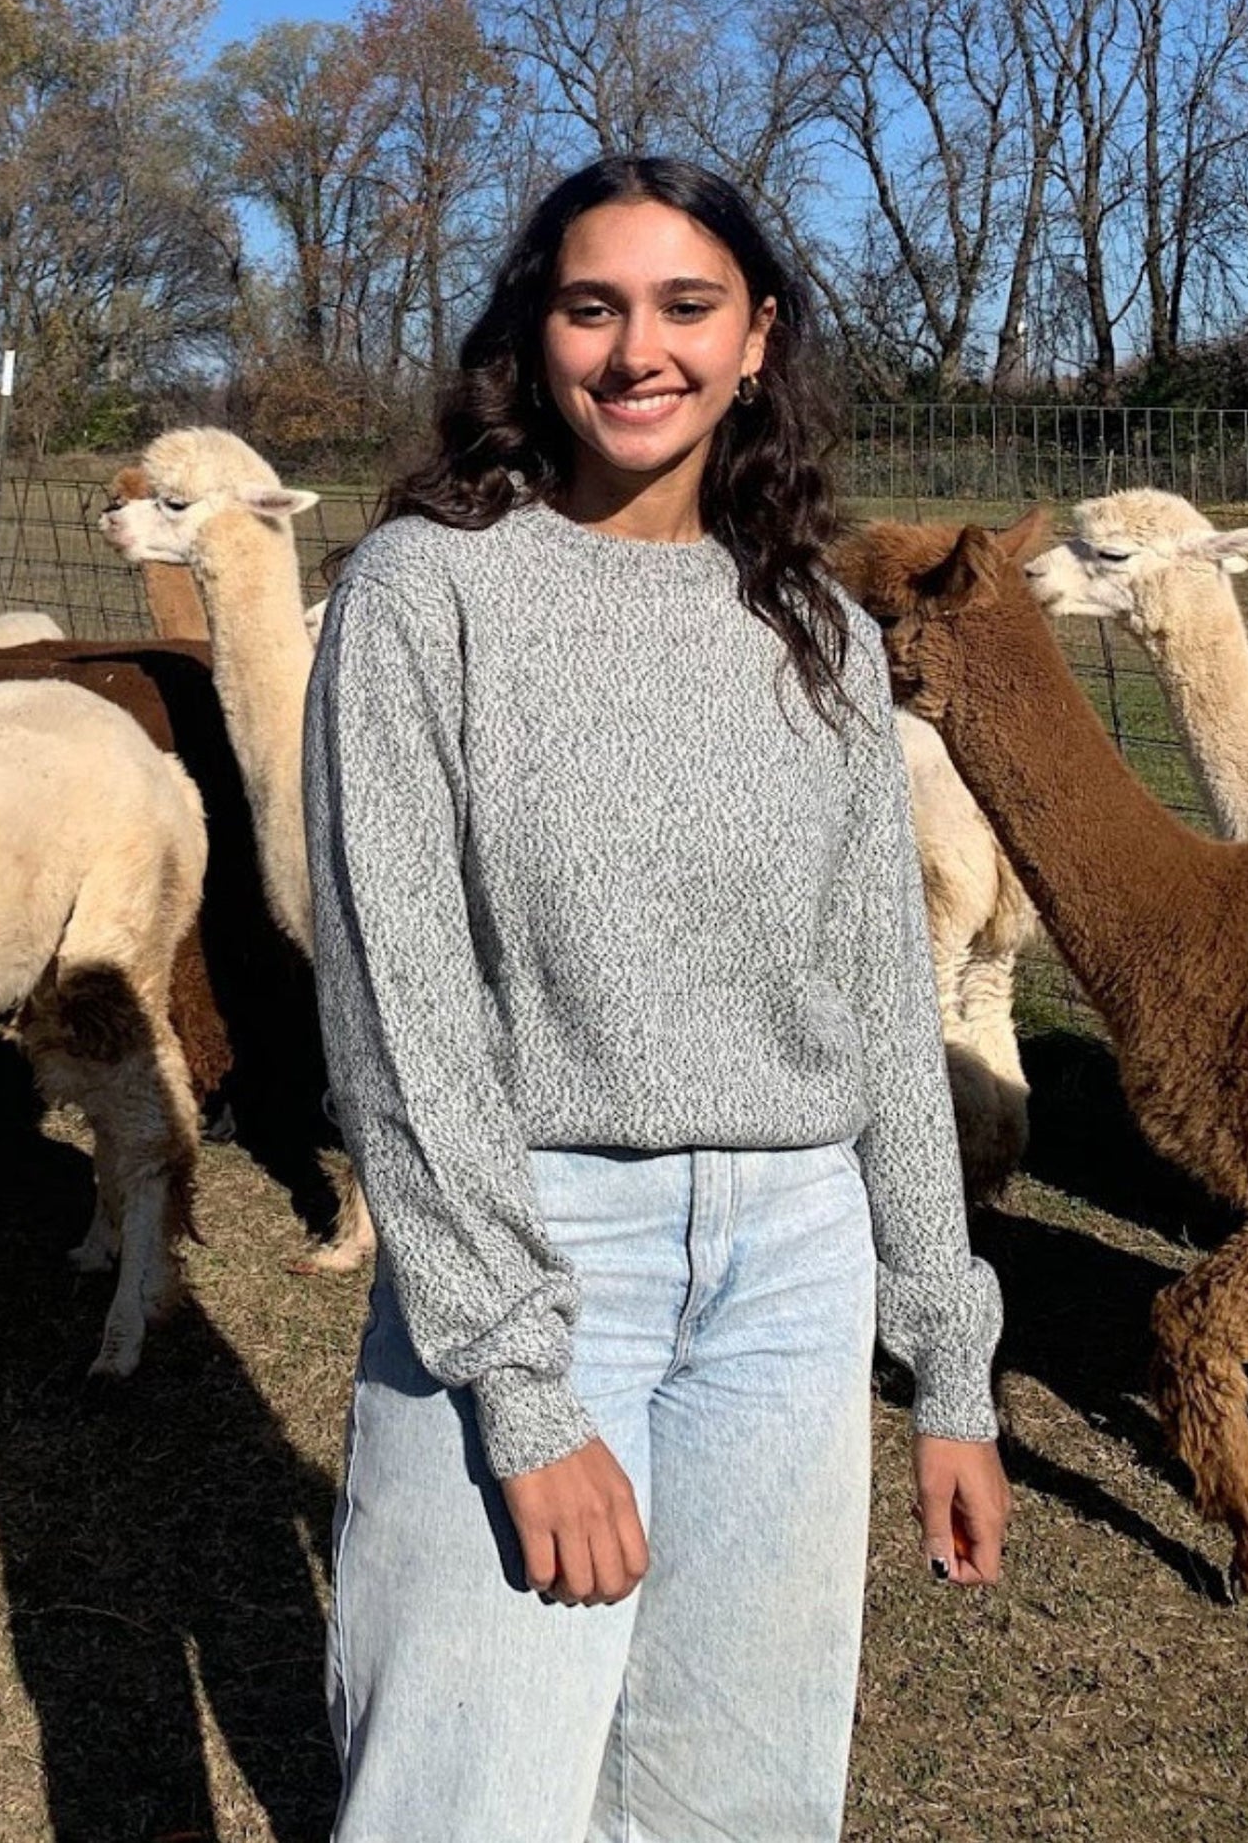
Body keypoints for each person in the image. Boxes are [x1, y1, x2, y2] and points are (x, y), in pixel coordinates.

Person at [302, 156, 1010, 1842]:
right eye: (591, 305)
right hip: (544, 1247)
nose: (639, 351)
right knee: (464, 1793)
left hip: (791, 1273)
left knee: (736, 1802)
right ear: (530, 337)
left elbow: (878, 1025)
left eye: (686, 307)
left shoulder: (820, 635)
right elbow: (399, 1004)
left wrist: (949, 1364)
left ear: (755, 339)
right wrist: (521, 1387)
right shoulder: (426, 595)